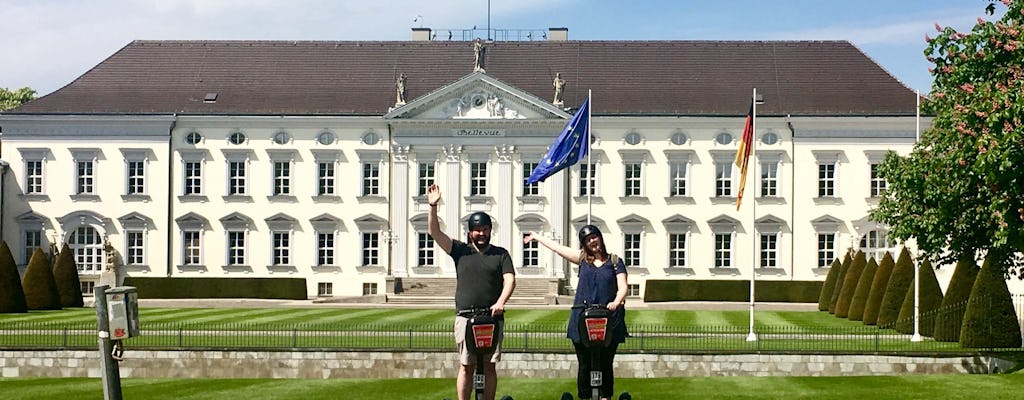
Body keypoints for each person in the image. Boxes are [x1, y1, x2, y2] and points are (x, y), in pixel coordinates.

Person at [427, 183, 516, 400]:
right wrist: (432, 206)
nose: (482, 233)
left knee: (489, 365)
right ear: (471, 232)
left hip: (492, 317)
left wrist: (501, 302)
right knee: (466, 365)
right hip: (466, 316)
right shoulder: (460, 250)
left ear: (490, 231)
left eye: (485, 229)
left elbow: (510, 279)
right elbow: (435, 233)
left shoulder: (500, 254)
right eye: (478, 229)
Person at [524, 225, 627, 400]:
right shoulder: (582, 259)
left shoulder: (615, 262)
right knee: (585, 364)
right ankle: (585, 397)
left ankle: (605, 397)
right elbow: (558, 249)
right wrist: (537, 237)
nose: (592, 242)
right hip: (583, 320)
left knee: (605, 363)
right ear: (584, 245)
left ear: (600, 238)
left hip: (609, 320)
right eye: (588, 240)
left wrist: (616, 302)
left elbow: (622, 286)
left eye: (594, 237)